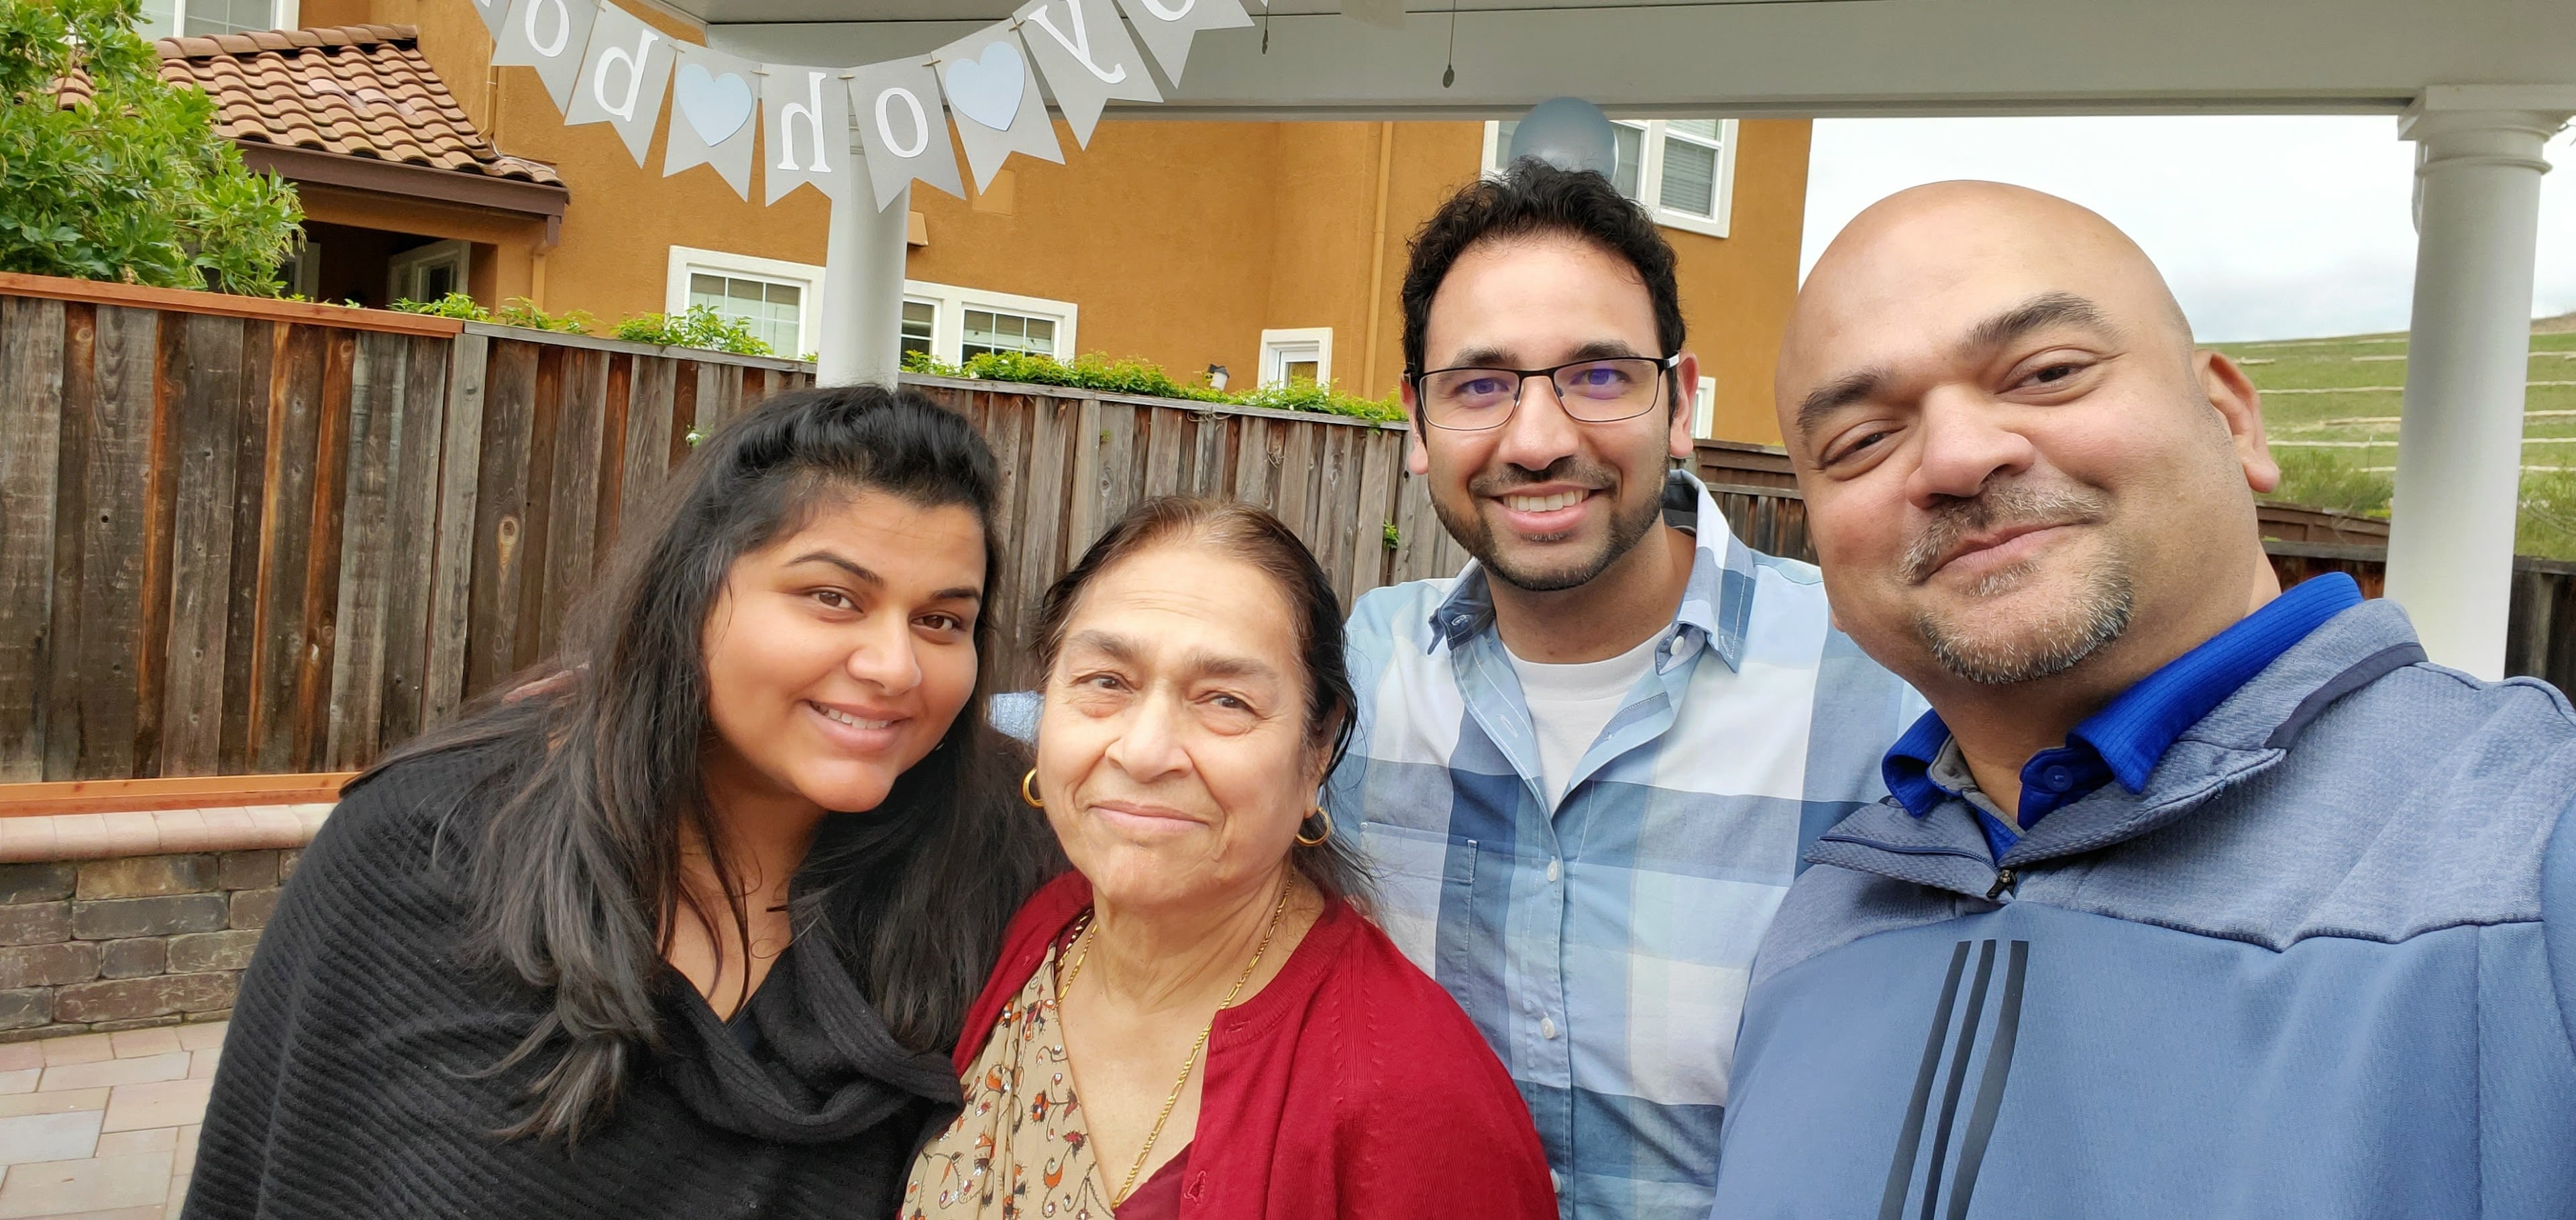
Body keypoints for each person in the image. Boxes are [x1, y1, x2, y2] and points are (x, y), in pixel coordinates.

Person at [1708, 181, 2576, 1218]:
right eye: (1859, 441)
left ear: (2232, 417)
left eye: (2048, 372)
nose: (1954, 456)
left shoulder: (2536, 846)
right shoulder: (1821, 920)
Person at [187, 387, 1061, 1219]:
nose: (896, 666)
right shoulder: (437, 849)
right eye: (833, 597)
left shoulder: (1002, 873)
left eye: (942, 621)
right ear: (692, 595)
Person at [1326, 161, 1919, 1219]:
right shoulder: (1365, 676)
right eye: (1480, 384)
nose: (1541, 438)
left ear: (1680, 402)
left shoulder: (1880, 677)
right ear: (1417, 424)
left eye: (1599, 376)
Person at [905, 498, 1558, 1219]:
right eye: (1106, 682)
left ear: (1317, 751)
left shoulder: (1413, 1093)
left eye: (1225, 700)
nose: (1145, 751)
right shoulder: (1032, 936)